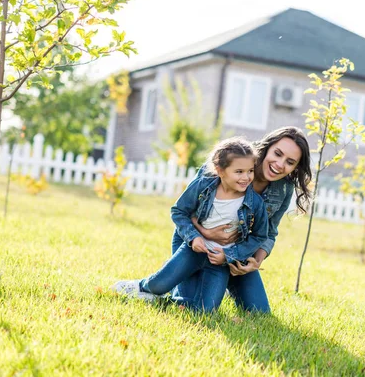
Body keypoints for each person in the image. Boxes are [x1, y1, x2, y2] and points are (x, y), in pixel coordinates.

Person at [111, 137, 269, 305]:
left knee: (206, 310)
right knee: (159, 285)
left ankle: (165, 301)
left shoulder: (255, 203)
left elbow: (259, 236)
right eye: (239, 172)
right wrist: (194, 237)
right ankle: (140, 287)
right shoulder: (203, 187)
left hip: (220, 261)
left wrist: (229, 256)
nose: (246, 177)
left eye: (250, 171)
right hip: (193, 251)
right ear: (220, 170)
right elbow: (178, 211)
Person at [173, 126, 313, 312]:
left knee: (259, 312)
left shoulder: (284, 189)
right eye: (277, 154)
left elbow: (269, 232)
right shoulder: (236, 156)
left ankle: (225, 283)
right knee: (187, 304)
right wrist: (205, 232)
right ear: (267, 147)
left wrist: (256, 262)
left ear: (295, 167)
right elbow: (185, 210)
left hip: (237, 253)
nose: (280, 164)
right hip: (196, 244)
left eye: (290, 162)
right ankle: (145, 289)